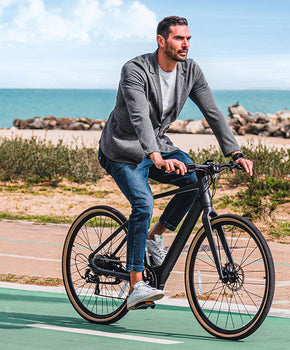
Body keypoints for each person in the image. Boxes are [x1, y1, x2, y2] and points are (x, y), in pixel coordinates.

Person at [98, 16, 253, 310]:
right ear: (161, 41)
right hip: (123, 150)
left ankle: (154, 236)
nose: (186, 44)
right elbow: (139, 116)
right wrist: (155, 155)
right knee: (143, 204)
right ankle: (135, 285)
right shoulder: (135, 70)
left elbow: (213, 112)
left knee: (195, 181)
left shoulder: (190, 70)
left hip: (158, 146)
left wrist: (235, 153)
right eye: (179, 38)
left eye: (188, 39)